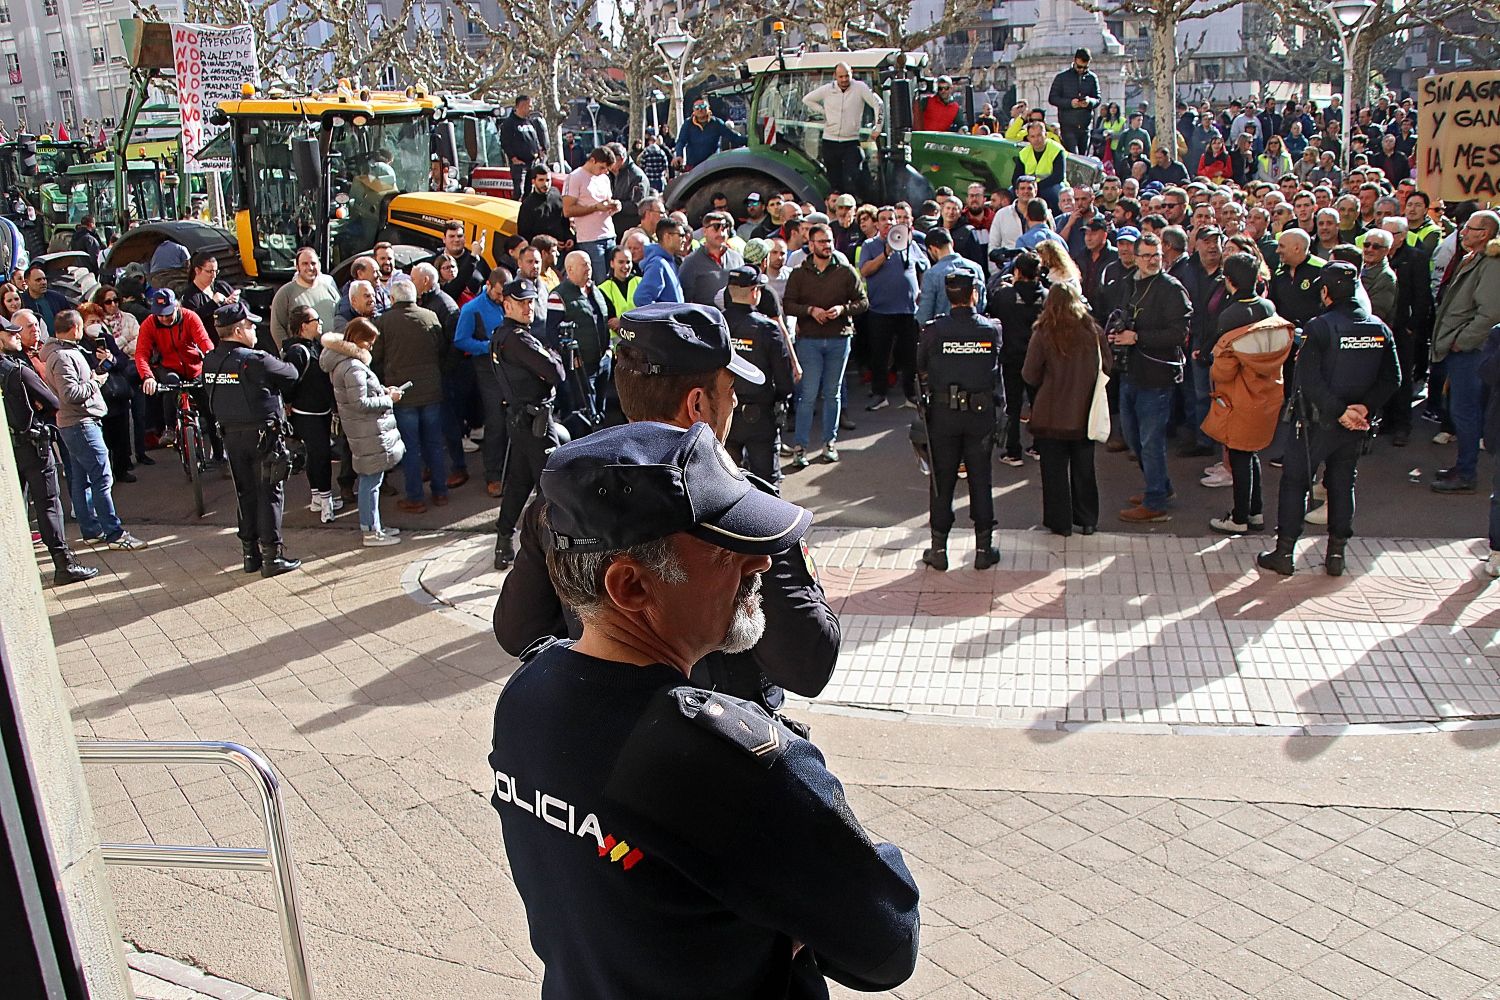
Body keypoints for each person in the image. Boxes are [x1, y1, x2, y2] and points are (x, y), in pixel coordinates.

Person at [490, 419, 916, 997]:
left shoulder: (528, 695)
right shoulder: (728, 760)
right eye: (727, 547)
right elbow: (888, 945)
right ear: (632, 587)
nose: (759, 563)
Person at [495, 299, 836, 712]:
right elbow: (808, 664)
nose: (734, 406)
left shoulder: (565, 494)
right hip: (727, 745)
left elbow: (517, 631)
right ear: (697, 406)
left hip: (610, 729)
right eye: (729, 392)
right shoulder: (747, 509)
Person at [1257, 263, 1400, 576]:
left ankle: (1285, 553)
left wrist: (1340, 412)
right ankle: (1336, 555)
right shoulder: (1378, 328)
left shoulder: (1319, 326)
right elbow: (1393, 379)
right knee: (1342, 484)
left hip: (1315, 423)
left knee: (1296, 484)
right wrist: (1362, 409)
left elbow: (1308, 379)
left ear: (1325, 292)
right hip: (1353, 426)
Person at [202, 302, 301, 576]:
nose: (254, 328)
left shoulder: (210, 360)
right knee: (269, 492)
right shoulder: (254, 359)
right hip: (263, 436)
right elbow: (291, 374)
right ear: (237, 330)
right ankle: (272, 557)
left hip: (231, 437)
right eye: (249, 325)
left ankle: (250, 554)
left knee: (245, 493)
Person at [40, 309, 149, 551]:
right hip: (81, 424)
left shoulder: (64, 352)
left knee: (81, 479)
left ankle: (91, 530)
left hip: (77, 423)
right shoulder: (62, 357)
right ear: (75, 328)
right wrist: (96, 381)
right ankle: (114, 533)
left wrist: (97, 370)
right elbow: (70, 394)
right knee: (102, 478)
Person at [916, 270, 1002, 570]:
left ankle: (938, 550)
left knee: (942, 481)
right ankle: (983, 549)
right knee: (981, 479)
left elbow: (919, 368)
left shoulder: (934, 331)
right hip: (979, 418)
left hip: (944, 416)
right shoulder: (990, 330)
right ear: (974, 294)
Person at [1, 316, 97, 584]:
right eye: (10, 333)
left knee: (13, 507)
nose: (17, 335)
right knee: (48, 504)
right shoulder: (15, 370)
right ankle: (63, 563)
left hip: (9, 451)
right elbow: (52, 399)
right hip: (31, 446)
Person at [1203, 253, 1293, 535]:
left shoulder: (1230, 315)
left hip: (1238, 396)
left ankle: (1239, 517)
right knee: (1251, 454)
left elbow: (1224, 370)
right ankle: (1255, 511)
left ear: (1228, 281)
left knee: (1239, 456)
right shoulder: (1268, 307)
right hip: (1267, 390)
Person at [1113, 233, 1192, 523]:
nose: (1152, 261)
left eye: (1156, 255)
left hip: (1157, 375)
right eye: (1146, 256)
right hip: (1130, 371)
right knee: (1133, 437)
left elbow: (1179, 334)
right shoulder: (1129, 283)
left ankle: (1155, 500)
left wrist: (1138, 337)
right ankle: (1159, 486)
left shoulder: (1171, 288)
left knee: (1151, 440)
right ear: (1135, 257)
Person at [1022, 281, 1110, 536]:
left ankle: (1059, 522)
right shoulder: (1093, 332)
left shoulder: (1043, 332)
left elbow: (1029, 373)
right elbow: (1107, 366)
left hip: (1050, 415)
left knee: (1053, 472)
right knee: (1085, 470)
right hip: (1085, 413)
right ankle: (1088, 519)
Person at [490, 280, 565, 570]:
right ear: (507, 304)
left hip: (523, 420)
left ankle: (504, 539)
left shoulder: (504, 336)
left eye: (531, 301)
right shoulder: (517, 340)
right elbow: (556, 372)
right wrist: (554, 355)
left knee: (519, 484)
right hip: (535, 422)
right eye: (521, 302)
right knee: (552, 483)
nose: (528, 307)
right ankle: (553, 548)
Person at [784, 222, 868, 467]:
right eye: (821, 242)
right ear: (810, 245)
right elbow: (788, 304)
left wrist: (843, 309)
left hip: (839, 338)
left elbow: (862, 302)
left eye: (830, 241)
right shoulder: (799, 273)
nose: (827, 246)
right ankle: (801, 446)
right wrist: (810, 310)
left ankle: (829, 443)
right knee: (808, 395)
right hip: (809, 340)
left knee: (833, 392)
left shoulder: (845, 270)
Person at [1430, 210, 1500, 495]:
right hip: (1460, 347)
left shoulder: (1492, 264)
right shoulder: (1476, 257)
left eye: (1469, 228)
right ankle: (1463, 466)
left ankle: (1467, 472)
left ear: (1484, 233)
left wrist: (1463, 340)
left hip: (1470, 352)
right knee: (1461, 410)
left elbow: (1490, 312)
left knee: (1466, 411)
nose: (1463, 232)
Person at [321, 317, 406, 547]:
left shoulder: (344, 362)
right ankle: (370, 531)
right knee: (371, 483)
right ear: (358, 340)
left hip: (363, 431)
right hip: (367, 431)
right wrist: (388, 398)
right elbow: (360, 403)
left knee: (372, 481)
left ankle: (374, 526)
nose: (371, 347)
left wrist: (382, 391)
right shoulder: (352, 367)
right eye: (368, 343)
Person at [373, 277, 448, 513]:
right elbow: (442, 349)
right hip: (432, 390)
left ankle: (415, 497)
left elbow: (377, 357)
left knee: (410, 447)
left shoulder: (384, 321)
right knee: (435, 444)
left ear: (392, 298)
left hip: (402, 393)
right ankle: (440, 492)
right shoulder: (430, 316)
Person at [721, 267, 795, 482]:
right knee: (766, 483)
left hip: (724, 413)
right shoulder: (767, 328)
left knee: (728, 482)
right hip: (760, 416)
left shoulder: (717, 324)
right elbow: (784, 379)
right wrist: (781, 398)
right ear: (754, 292)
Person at [280, 304, 341, 523]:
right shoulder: (298, 351)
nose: (320, 323)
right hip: (307, 412)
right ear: (304, 326)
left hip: (320, 410)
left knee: (316, 455)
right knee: (321, 455)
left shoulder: (314, 345)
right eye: (316, 320)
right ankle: (326, 503)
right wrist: (288, 403)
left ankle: (317, 497)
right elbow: (288, 381)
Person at [454, 269, 511, 499]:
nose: (501, 298)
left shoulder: (508, 300)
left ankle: (512, 471)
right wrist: (488, 346)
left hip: (510, 367)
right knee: (496, 422)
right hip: (487, 369)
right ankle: (493, 475)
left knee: (513, 421)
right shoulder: (472, 309)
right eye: (498, 293)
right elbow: (461, 340)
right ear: (489, 285)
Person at [859, 206, 921, 411]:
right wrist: (885, 254)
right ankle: (880, 394)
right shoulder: (869, 245)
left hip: (908, 310)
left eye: (891, 219)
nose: (887, 222)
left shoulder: (910, 244)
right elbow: (865, 270)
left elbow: (924, 266)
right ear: (876, 224)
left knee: (910, 356)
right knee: (880, 355)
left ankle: (911, 395)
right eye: (883, 219)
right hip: (880, 310)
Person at [989, 250, 1047, 466]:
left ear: (1017, 271)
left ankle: (1013, 450)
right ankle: (1040, 445)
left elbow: (993, 312)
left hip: (1011, 357)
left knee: (1012, 404)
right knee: (1038, 402)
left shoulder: (1004, 296)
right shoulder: (1048, 297)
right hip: (1039, 358)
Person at [802, 62, 883, 198]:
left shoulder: (860, 88)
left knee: (853, 177)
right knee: (834, 182)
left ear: (852, 73)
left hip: (850, 142)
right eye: (841, 77)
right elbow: (807, 99)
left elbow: (878, 104)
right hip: (830, 142)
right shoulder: (827, 90)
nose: (844, 80)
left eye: (847, 76)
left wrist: (878, 127)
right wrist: (823, 112)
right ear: (835, 76)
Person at [269, 247, 339, 349]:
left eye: (313, 263)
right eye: (305, 264)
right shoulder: (285, 293)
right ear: (297, 267)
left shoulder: (330, 289)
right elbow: (277, 327)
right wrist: (288, 352)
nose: (310, 267)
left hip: (332, 352)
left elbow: (340, 316)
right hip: (305, 357)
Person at [917, 227, 986, 324]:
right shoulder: (976, 268)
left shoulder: (931, 274)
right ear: (952, 243)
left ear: (933, 249)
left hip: (943, 332)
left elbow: (925, 314)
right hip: (974, 329)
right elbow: (982, 304)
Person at [678, 210, 744, 307]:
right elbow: (684, 299)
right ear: (705, 231)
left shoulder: (737, 258)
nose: (722, 233)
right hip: (706, 319)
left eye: (725, 227)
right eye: (716, 227)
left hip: (734, 318)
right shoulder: (691, 262)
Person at [1048, 48, 1100, 154]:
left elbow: (1098, 98)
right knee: (1073, 154)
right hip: (1068, 125)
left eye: (1085, 67)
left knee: (1083, 157)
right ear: (1075, 61)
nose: (1082, 70)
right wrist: (1070, 103)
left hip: (1085, 125)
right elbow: (1052, 98)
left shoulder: (1092, 78)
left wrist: (1089, 101)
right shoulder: (1062, 77)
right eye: (1079, 67)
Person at [673, 99, 744, 171]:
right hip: (694, 166)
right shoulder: (688, 124)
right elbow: (681, 141)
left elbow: (732, 137)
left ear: (708, 108)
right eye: (697, 107)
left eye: (703, 106)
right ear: (693, 110)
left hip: (712, 164)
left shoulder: (716, 123)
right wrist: (679, 155)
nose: (700, 109)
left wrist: (749, 141)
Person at [180, 252, 237, 340]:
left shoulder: (221, 286)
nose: (213, 276)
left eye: (216, 271)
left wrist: (234, 301)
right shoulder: (190, 296)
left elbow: (244, 305)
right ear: (197, 271)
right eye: (209, 271)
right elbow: (191, 320)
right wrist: (213, 303)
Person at [633, 218, 688, 307]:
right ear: (667, 236)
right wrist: (663, 316)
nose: (684, 240)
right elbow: (641, 298)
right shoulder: (657, 264)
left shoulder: (669, 262)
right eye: (681, 235)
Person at [1017, 121, 1068, 212]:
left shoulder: (1057, 150)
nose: (1036, 139)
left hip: (1050, 185)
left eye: (1039, 135)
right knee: (1011, 191)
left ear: (1046, 135)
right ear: (1028, 138)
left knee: (1057, 192)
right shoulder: (1023, 153)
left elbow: (1058, 176)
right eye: (1032, 136)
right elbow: (1016, 177)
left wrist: (1036, 187)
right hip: (1030, 186)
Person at [518, 165, 573, 246]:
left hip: (563, 246)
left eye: (548, 180)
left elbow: (564, 222)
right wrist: (550, 244)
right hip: (543, 252)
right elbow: (525, 235)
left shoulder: (556, 194)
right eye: (541, 180)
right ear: (533, 181)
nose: (545, 184)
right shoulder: (527, 205)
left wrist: (569, 238)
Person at [499, 95, 548, 176]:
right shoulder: (509, 123)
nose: (531, 109)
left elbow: (535, 140)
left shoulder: (530, 122)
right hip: (519, 166)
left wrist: (539, 152)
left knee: (531, 188)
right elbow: (505, 143)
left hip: (533, 164)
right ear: (522, 106)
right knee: (520, 189)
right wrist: (514, 159)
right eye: (529, 106)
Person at [20, 264, 69, 335]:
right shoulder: (21, 302)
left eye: (44, 279)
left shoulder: (58, 298)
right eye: (38, 280)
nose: (43, 282)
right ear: (27, 282)